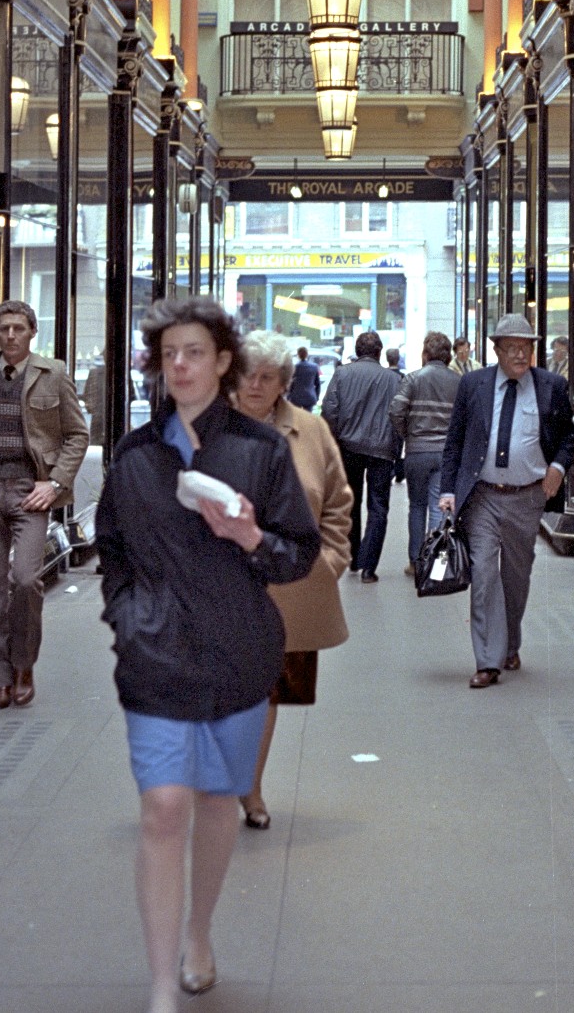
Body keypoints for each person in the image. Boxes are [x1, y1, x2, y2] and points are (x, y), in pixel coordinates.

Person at [96, 298, 320, 1013]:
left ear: (224, 362)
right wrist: (128, 615)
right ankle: (162, 981)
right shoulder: (136, 455)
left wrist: (251, 537)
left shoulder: (260, 452)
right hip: (154, 656)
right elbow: (112, 551)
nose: (181, 367)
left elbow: (299, 556)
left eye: (194, 352)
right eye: (169, 356)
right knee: (164, 807)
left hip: (238, 655)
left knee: (219, 801)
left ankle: (200, 932)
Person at [0, 300, 89, 710]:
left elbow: (77, 435)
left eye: (18, 329)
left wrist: (55, 482)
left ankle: (24, 665)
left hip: (31, 491)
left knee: (25, 579)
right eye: (4, 328)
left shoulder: (53, 374)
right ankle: (0, 679)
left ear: (31, 332)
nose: (10, 336)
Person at [235, 330, 351, 830]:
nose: (256, 385)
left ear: (284, 383)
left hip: (285, 586)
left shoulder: (311, 430)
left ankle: (251, 786)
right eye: (247, 375)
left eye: (268, 377)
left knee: (263, 690)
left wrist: (328, 562)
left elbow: (339, 504)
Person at [439, 313, 574, 688]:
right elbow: (455, 441)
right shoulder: (473, 385)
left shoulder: (551, 386)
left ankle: (510, 642)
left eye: (527, 347)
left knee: (516, 577)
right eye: (512, 347)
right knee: (483, 573)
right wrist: (448, 490)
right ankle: (487, 661)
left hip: (527, 497)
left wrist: (559, 467)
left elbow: (568, 437)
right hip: (482, 496)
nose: (520, 354)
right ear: (496, 350)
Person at [321, 329, 402, 582]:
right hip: (381, 449)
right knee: (378, 506)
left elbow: (329, 410)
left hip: (349, 447)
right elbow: (399, 415)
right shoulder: (393, 379)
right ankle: (369, 567)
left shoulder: (342, 374)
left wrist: (333, 442)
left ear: (357, 352)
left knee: (350, 502)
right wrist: (397, 449)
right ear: (379, 353)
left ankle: (353, 557)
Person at [389, 331, 460, 575]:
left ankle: (416, 561)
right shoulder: (458, 381)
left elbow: (396, 411)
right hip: (445, 454)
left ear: (425, 354)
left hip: (417, 451)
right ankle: (437, 566)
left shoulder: (412, 379)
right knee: (440, 507)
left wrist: (407, 434)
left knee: (417, 507)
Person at [386, 346, 406, 482]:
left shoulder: (383, 376)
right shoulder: (404, 378)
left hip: (386, 416)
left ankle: (390, 470)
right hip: (400, 415)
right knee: (399, 445)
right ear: (398, 360)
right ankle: (399, 471)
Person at [287, 345, 321, 411]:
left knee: (296, 418)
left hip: (296, 398)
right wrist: (316, 396)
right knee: (308, 418)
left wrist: (289, 396)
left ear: (298, 355)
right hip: (310, 397)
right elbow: (317, 384)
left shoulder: (294, 368)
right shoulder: (314, 367)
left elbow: (290, 384)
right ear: (307, 354)